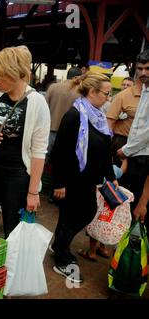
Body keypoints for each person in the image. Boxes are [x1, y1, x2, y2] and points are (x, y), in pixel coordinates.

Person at [0, 46, 50, 238]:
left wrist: (33, 192)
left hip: (17, 175)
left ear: (13, 74)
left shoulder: (36, 102)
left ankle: (11, 268)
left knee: (14, 229)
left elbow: (39, 150)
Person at [51, 72, 117, 282]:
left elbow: (105, 149)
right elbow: (59, 151)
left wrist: (110, 175)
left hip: (89, 179)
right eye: (106, 93)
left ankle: (59, 245)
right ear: (92, 92)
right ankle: (61, 258)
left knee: (86, 213)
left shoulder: (98, 117)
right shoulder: (74, 115)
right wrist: (59, 182)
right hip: (72, 179)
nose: (108, 97)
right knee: (70, 217)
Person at [117, 49, 149, 230]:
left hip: (144, 156)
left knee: (138, 207)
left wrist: (126, 150)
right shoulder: (145, 88)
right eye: (140, 68)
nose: (143, 72)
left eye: (147, 68)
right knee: (129, 203)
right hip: (136, 154)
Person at [45, 67, 82, 161]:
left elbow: (44, 107)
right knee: (62, 160)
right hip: (69, 133)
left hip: (50, 129)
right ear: (77, 77)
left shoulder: (53, 87)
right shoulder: (80, 91)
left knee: (44, 158)